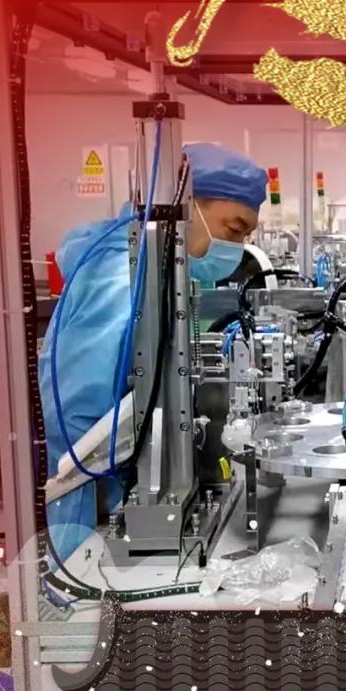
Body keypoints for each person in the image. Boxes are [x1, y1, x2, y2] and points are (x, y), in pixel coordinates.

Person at [39, 142, 267, 561]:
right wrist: (106, 491)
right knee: (84, 588)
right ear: (186, 206)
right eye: (233, 229)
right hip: (94, 506)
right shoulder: (122, 278)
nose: (235, 247)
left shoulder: (156, 270)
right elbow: (78, 415)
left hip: (123, 492)